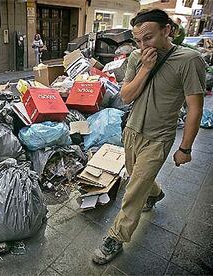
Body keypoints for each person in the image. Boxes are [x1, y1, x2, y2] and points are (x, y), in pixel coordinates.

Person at [92, 9, 205, 265]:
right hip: (132, 131)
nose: (143, 45)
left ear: (167, 31)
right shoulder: (136, 57)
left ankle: (116, 237)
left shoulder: (189, 60)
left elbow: (195, 108)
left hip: (158, 138)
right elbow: (126, 96)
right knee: (137, 178)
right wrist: (145, 68)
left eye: (149, 38)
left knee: (133, 190)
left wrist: (185, 148)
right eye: (138, 40)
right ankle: (154, 193)